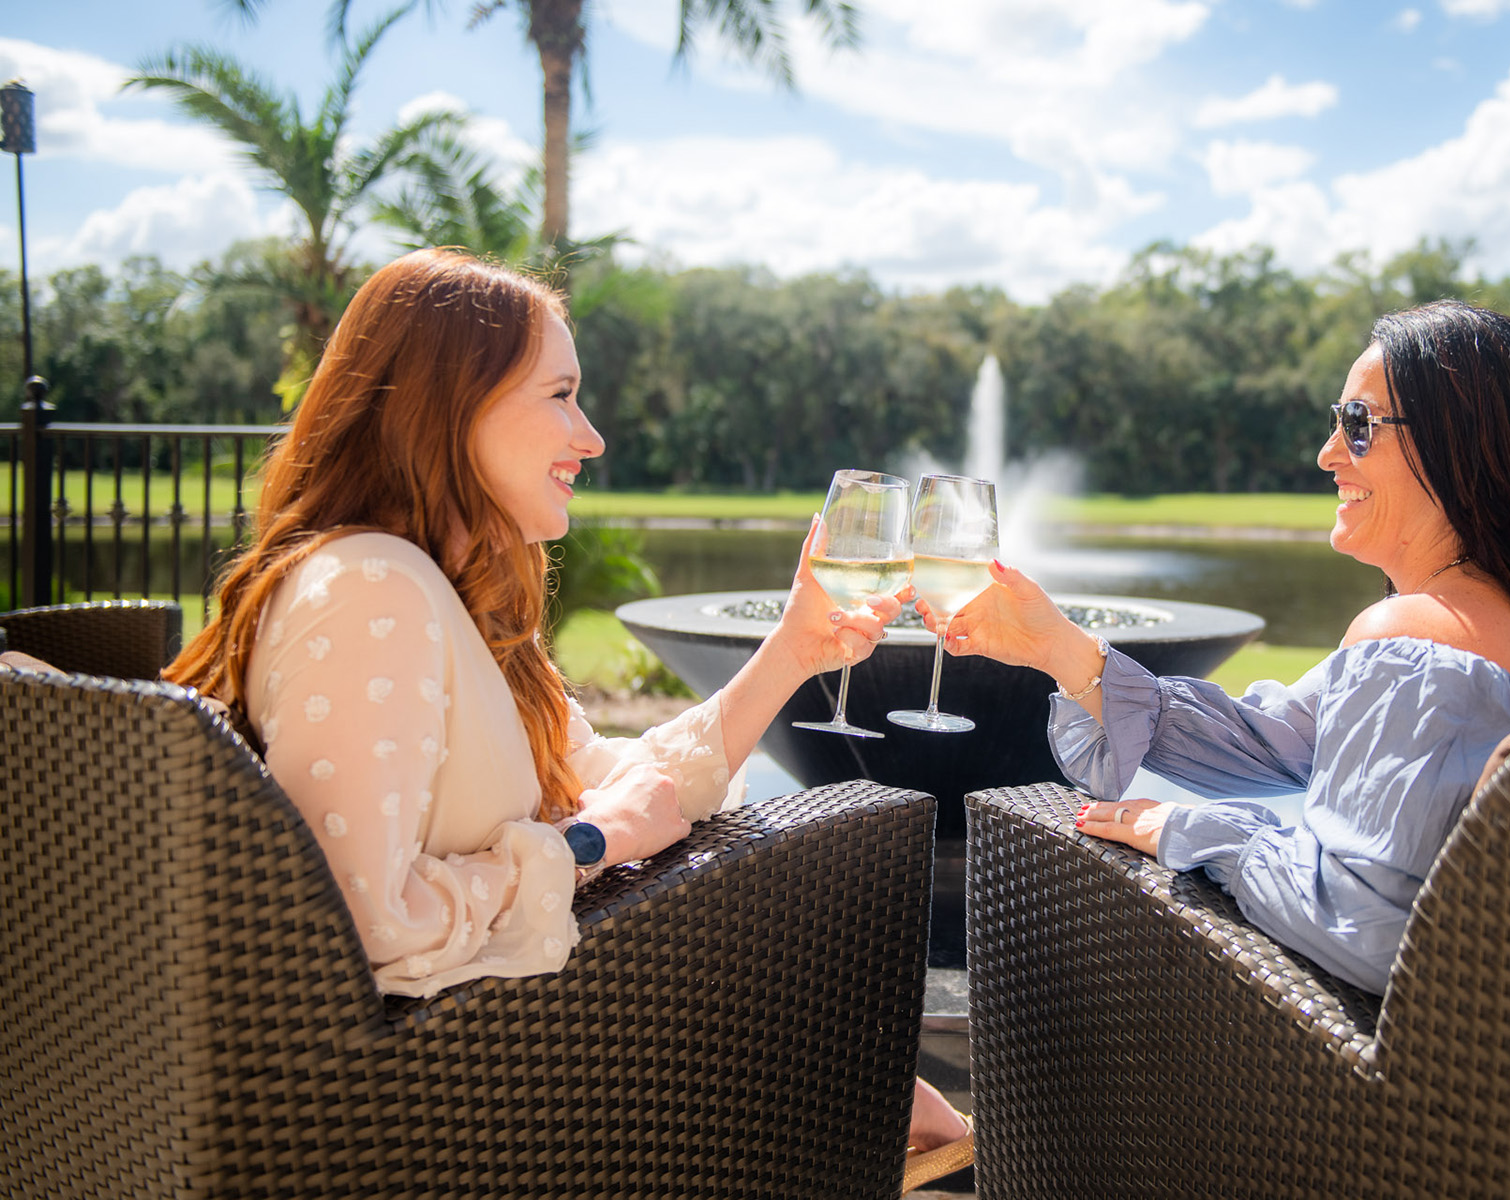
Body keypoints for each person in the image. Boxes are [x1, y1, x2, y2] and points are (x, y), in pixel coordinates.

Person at [163, 248, 969, 1187]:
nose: (591, 438)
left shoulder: (453, 598)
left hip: (510, 1054)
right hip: (449, 1110)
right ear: (450, 403)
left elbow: (630, 781)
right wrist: (590, 844)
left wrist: (793, 650)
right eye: (561, 395)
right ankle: (861, 1114)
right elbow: (361, 925)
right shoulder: (372, 588)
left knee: (802, 881)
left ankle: (863, 1100)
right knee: (835, 859)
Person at [928, 300, 1510, 996]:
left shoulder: (1420, 634)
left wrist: (1192, 832)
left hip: (1377, 1074)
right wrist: (1061, 648)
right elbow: (1272, 740)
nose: (1326, 454)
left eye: (1359, 424)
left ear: (1464, 450)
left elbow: (1364, 924)